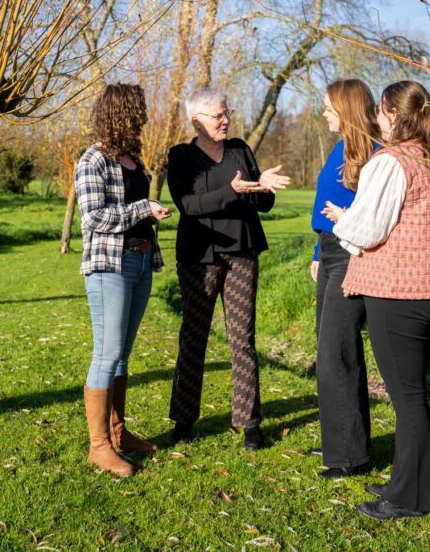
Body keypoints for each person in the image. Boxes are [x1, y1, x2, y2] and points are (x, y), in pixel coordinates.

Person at [323, 80, 430, 519]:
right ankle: (405, 481)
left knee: (408, 399)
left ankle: (412, 498)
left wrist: (344, 221)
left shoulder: (390, 162)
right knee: (412, 394)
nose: (377, 120)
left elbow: (366, 231)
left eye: (381, 113)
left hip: (399, 294)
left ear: (390, 113)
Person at [166, 86, 291, 450]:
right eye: (218, 115)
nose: (226, 120)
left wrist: (264, 187)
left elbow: (261, 204)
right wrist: (233, 192)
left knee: (243, 339)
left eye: (227, 113)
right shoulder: (181, 157)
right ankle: (184, 420)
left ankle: (249, 423)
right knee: (194, 337)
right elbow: (189, 205)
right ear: (196, 121)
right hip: (199, 256)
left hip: (242, 252)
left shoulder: (240, 150)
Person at [75, 83, 172, 477]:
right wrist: (141, 207)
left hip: (141, 262)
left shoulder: (135, 160)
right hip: (109, 268)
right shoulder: (92, 160)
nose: (144, 118)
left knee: (122, 355)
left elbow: (130, 212)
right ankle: (98, 447)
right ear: (120, 114)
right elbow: (94, 217)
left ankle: (118, 433)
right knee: (107, 352)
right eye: (138, 111)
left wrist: (150, 214)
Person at [310, 78, 380, 478]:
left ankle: (350, 456)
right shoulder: (340, 148)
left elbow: (374, 215)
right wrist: (320, 253)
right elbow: (326, 208)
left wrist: (341, 238)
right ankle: (340, 439)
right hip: (332, 250)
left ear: (347, 108)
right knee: (329, 350)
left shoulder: (376, 154)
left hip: (355, 255)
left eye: (329, 107)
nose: (324, 113)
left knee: (338, 351)